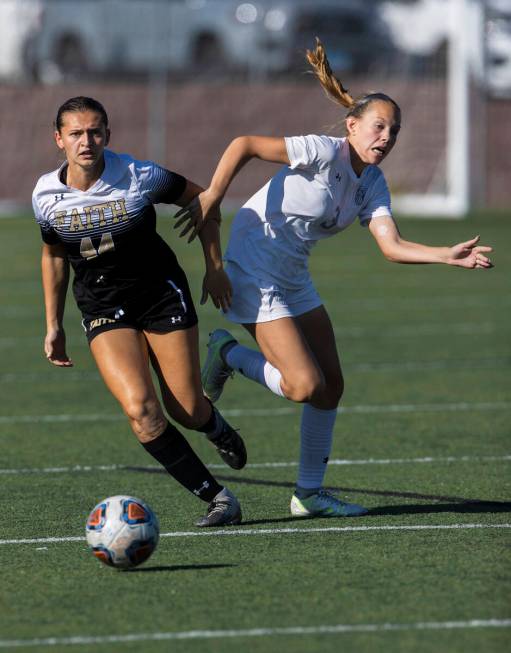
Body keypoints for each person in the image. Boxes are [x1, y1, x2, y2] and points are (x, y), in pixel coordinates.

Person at [173, 39, 493, 519]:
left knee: (331, 387)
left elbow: (392, 246)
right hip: (252, 268)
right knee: (303, 385)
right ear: (352, 127)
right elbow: (245, 145)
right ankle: (229, 354)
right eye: (378, 126)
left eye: (394, 131)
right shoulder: (322, 151)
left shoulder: (373, 183)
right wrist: (213, 197)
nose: (386, 137)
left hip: (293, 274)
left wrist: (446, 256)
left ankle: (308, 494)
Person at [32, 96, 247, 528]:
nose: (86, 141)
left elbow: (203, 199)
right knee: (141, 411)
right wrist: (53, 323)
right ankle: (220, 499)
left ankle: (213, 425)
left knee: (186, 410)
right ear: (59, 139)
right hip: (103, 305)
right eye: (75, 133)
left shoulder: (138, 175)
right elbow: (53, 254)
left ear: (108, 135)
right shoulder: (45, 194)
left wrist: (214, 268)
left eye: (95, 132)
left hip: (160, 295)